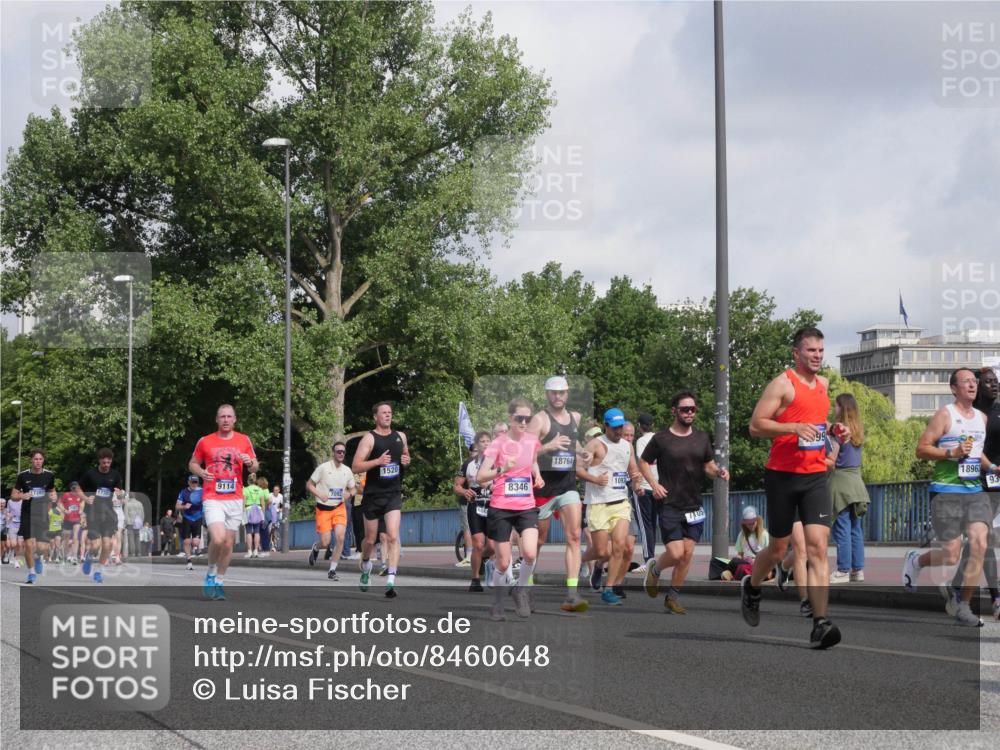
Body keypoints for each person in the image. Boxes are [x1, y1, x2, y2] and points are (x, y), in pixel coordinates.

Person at [741, 327, 847, 649]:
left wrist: (831, 428)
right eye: (811, 350)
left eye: (820, 350)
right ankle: (752, 586)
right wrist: (792, 427)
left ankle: (820, 623)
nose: (817, 356)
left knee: (817, 548)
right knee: (777, 550)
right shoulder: (782, 384)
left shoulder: (825, 385)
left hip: (815, 475)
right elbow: (756, 425)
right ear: (796, 354)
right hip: (782, 476)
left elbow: (815, 422)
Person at [902, 368, 990, 627]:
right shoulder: (945, 414)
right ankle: (916, 560)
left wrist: (992, 468)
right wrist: (951, 453)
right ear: (954, 388)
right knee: (951, 555)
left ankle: (963, 605)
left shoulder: (982, 418)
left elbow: (976, 453)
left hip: (974, 491)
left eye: (974, 381)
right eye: (967, 382)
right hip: (946, 490)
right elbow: (922, 449)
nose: (972, 385)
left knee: (979, 544)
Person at [641, 392, 730, 613]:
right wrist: (653, 484)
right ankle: (655, 570)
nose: (689, 413)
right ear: (674, 411)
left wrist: (718, 471)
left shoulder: (701, 438)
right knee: (676, 553)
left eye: (692, 409)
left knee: (688, 553)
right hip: (670, 504)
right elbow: (643, 461)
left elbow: (708, 465)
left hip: (694, 506)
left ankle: (672, 597)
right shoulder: (662, 439)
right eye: (684, 409)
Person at [477, 397, 544, 620]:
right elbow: (480, 477)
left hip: (526, 505)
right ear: (510, 418)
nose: (524, 422)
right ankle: (497, 603)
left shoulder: (532, 441)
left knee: (530, 553)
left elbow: (532, 460)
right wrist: (501, 469)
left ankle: (520, 589)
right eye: (519, 418)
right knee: (504, 563)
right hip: (501, 506)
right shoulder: (498, 444)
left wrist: (538, 474)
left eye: (527, 418)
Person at [530, 375, 591, 613]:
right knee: (538, 541)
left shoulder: (575, 417)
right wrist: (548, 446)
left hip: (567, 486)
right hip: (543, 488)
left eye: (562, 392)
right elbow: (528, 453)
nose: (558, 396)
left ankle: (572, 594)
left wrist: (583, 452)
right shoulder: (539, 420)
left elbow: (572, 444)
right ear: (547, 395)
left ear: (567, 393)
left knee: (574, 536)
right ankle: (525, 584)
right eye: (554, 392)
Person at [189, 403, 259, 600]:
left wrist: (250, 463)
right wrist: (201, 472)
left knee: (227, 543)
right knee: (218, 539)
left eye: (229, 416)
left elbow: (255, 467)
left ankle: (219, 581)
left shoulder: (244, 440)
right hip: (213, 497)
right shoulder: (205, 441)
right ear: (217, 420)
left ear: (234, 420)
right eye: (222, 417)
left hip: (235, 498)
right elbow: (193, 463)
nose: (226, 420)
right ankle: (211, 573)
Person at [578, 408, 641, 606]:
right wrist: (595, 479)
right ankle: (583, 562)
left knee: (619, 546)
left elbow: (633, 471)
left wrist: (637, 484)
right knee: (601, 551)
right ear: (606, 426)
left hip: (620, 503)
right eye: (614, 427)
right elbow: (577, 469)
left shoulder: (627, 446)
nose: (619, 431)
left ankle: (609, 589)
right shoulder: (595, 445)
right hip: (598, 504)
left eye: (621, 426)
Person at [352, 402, 411, 598]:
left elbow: (406, 456)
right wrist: (377, 462)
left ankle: (391, 581)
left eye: (390, 413)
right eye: (383, 413)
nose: (388, 415)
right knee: (370, 540)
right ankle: (366, 565)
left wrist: (406, 460)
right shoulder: (369, 438)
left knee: (393, 536)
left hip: (393, 493)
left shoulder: (400, 436)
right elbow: (355, 466)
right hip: (373, 495)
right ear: (375, 417)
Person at [827, 393, 869, 584]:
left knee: (842, 527)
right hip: (857, 482)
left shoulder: (838, 434)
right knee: (855, 528)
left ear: (841, 409)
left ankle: (843, 570)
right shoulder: (858, 430)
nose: (833, 409)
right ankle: (857, 570)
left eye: (835, 406)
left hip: (841, 482)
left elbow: (831, 461)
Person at [972, 367, 1000, 620]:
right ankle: (997, 597)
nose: (993, 385)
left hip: (997, 481)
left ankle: (958, 589)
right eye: (988, 382)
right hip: (975, 481)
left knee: (977, 543)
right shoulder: (971, 414)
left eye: (995, 381)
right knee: (985, 538)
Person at [307, 441, 356, 580]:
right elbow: (309, 484)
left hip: (339, 507)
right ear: (333, 453)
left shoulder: (347, 470)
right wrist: (319, 494)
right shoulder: (323, 468)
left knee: (340, 537)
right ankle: (316, 548)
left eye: (343, 452)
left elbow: (353, 488)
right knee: (326, 541)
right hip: (323, 509)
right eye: (338, 451)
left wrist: (349, 494)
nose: (341, 454)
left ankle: (332, 570)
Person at [75, 448, 124, 584]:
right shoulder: (90, 474)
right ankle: (89, 556)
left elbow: (120, 493)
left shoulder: (115, 475)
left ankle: (98, 572)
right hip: (93, 514)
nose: (106, 465)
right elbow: (77, 488)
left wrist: (120, 494)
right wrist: (85, 498)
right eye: (104, 462)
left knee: (107, 545)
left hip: (108, 514)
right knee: (96, 545)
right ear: (99, 461)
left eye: (108, 462)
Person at [10, 449, 56, 584]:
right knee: (29, 545)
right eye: (35, 459)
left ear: (43, 460)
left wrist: (53, 497)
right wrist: (22, 496)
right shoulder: (23, 476)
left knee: (43, 548)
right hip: (27, 514)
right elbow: (13, 495)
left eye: (40, 459)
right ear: (31, 460)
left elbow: (52, 491)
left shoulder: (49, 476)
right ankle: (31, 573)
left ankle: (38, 558)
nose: (38, 462)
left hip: (42, 515)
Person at [458, 431, 494, 592]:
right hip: (475, 506)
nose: (485, 444)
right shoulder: (468, 464)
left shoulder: (497, 462)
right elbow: (456, 485)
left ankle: (483, 558)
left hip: (493, 505)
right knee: (478, 544)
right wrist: (464, 492)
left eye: (488, 441)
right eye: (482, 442)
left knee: (492, 546)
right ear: (476, 445)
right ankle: (475, 579)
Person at [715, 506, 771, 581]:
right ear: (744, 524)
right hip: (744, 562)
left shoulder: (764, 534)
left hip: (758, 563)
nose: (751, 526)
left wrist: (755, 560)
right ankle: (734, 573)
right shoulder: (742, 535)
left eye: (753, 523)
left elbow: (769, 555)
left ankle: (730, 573)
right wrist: (739, 559)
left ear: (757, 521)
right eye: (748, 524)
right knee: (715, 562)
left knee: (736, 563)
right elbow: (740, 554)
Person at [633, 413, 659, 569]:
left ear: (639, 425)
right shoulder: (660, 439)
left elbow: (642, 463)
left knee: (645, 525)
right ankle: (654, 559)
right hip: (659, 485)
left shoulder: (641, 441)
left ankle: (648, 559)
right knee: (655, 524)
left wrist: (638, 484)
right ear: (653, 424)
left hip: (645, 486)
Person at [176, 476, 205, 570]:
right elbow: (177, 506)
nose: (194, 484)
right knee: (186, 541)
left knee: (196, 542)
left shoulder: (202, 491)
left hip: (198, 517)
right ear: (188, 482)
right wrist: (184, 507)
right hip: (187, 518)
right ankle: (189, 560)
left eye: (195, 482)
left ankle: (194, 548)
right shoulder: (183, 492)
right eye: (192, 482)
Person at [243, 473, 266, 558]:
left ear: (248, 481)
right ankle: (256, 551)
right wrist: (263, 514)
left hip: (248, 510)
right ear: (255, 481)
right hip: (258, 510)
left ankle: (249, 551)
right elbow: (263, 503)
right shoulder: (260, 490)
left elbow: (243, 502)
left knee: (248, 531)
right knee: (257, 532)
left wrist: (242, 513)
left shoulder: (245, 489)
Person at [59, 482, 83, 564]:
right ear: (71, 488)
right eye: (74, 487)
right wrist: (65, 510)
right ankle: (66, 555)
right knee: (67, 538)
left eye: (77, 487)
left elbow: (82, 503)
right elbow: (59, 503)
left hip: (76, 519)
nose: (75, 489)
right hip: (67, 519)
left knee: (76, 537)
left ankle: (75, 556)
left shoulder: (80, 495)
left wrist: (81, 510)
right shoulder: (66, 495)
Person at [126, 492, 144, 560]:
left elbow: (126, 514)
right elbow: (142, 514)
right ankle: (138, 552)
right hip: (138, 523)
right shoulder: (140, 503)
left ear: (129, 497)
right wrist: (140, 521)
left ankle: (132, 553)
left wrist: (126, 523)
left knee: (131, 538)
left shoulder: (127, 504)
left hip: (130, 523)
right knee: (137, 537)